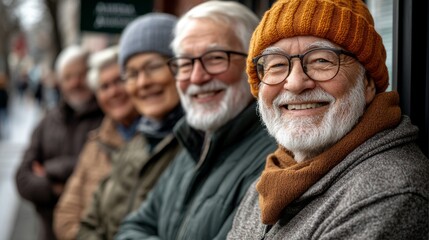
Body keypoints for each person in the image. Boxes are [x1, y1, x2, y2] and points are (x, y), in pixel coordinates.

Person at [226, 0, 429, 239]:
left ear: (368, 83)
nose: (295, 83)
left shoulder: (387, 194)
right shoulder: (275, 175)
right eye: (277, 65)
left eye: (321, 60)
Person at [115, 2, 277, 240]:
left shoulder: (275, 160)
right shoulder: (193, 146)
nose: (196, 77)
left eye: (215, 58)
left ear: (254, 65)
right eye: (185, 63)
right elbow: (132, 227)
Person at [77, 13, 183, 240]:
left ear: (181, 66)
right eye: (132, 73)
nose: (143, 82)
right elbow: (89, 221)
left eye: (153, 67)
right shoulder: (136, 144)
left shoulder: (196, 147)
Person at [15, 45, 104, 240]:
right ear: (60, 82)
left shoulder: (107, 119)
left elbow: (103, 175)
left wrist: (50, 169)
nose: (75, 82)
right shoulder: (47, 123)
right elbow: (22, 179)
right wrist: (55, 189)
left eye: (81, 74)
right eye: (68, 77)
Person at [53, 46, 141, 240]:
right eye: (104, 87)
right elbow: (65, 214)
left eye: (119, 81)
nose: (113, 92)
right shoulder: (95, 143)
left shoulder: (155, 139)